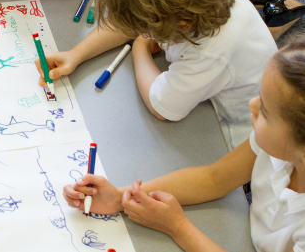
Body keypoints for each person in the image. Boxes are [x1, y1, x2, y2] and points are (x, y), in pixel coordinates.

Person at [36, 0, 276, 150]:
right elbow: (130, 19)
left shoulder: (211, 50)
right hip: (211, 92)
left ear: (178, 23)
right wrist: (76, 54)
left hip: (239, 138)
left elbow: (162, 108)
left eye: (143, 27)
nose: (138, 30)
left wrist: (140, 47)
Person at [63, 35, 305, 252]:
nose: (252, 104)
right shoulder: (274, 142)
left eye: (264, 109)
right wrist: (120, 197)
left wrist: (178, 227)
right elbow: (214, 178)